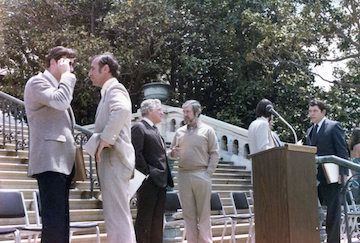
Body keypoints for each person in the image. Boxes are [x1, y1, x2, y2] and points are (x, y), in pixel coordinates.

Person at [24, 46, 77, 243]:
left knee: (62, 222)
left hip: (62, 162)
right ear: (53, 62)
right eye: (67, 63)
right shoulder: (37, 82)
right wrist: (67, 78)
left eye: (72, 65)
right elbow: (61, 102)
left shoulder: (57, 85)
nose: (71, 69)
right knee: (54, 222)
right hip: (49, 161)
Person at [87, 53, 136, 243]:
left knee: (117, 216)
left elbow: (122, 110)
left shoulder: (115, 89)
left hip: (115, 159)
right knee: (116, 216)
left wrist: (105, 140)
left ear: (105, 69)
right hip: (113, 161)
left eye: (92, 69)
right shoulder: (108, 92)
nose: (90, 73)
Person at [170, 100, 220, 243]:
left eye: (188, 112)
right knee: (188, 215)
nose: (184, 115)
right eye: (183, 111)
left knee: (204, 215)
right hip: (183, 175)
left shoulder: (208, 130)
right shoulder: (179, 132)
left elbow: (215, 153)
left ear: (197, 113)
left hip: (201, 174)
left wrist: (208, 173)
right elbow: (171, 153)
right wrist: (172, 153)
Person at [305, 100, 349, 243]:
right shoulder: (310, 130)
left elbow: (342, 151)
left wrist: (344, 173)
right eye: (310, 111)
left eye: (315, 111)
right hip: (314, 177)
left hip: (332, 176)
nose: (311, 114)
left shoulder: (334, 126)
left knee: (333, 212)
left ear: (323, 112)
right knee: (311, 210)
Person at [131, 99, 174, 243]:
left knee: (157, 221)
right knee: (145, 220)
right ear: (149, 110)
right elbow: (136, 153)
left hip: (161, 182)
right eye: (159, 110)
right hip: (149, 181)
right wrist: (147, 174)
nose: (162, 112)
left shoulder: (155, 130)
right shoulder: (139, 127)